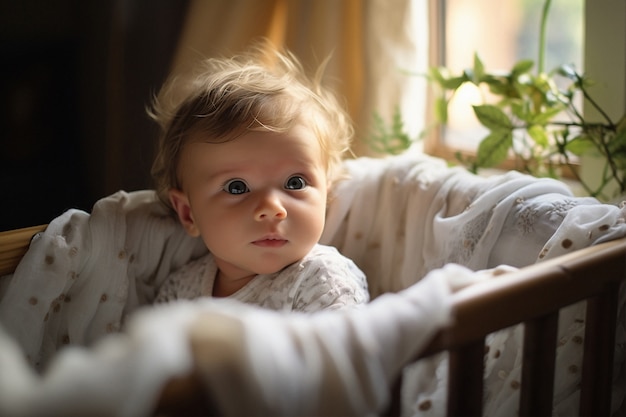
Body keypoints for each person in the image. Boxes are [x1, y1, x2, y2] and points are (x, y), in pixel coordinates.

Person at [149, 42, 369, 311]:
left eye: (295, 183)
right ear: (188, 213)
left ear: (326, 194)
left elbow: (341, 351)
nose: (271, 209)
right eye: (237, 187)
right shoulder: (182, 290)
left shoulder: (322, 281)